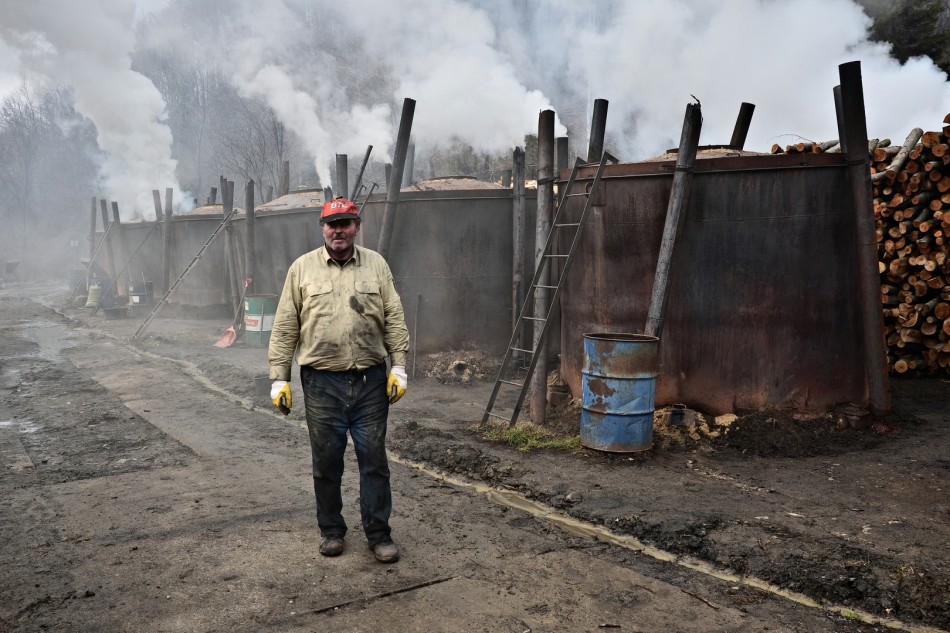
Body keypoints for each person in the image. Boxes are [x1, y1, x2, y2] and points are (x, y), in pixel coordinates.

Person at [267, 197, 409, 563]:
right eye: (332, 224)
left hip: (370, 382)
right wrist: (278, 378)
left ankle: (378, 534)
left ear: (356, 226)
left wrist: (399, 366)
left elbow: (393, 316)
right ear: (322, 228)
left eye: (346, 222)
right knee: (326, 462)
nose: (339, 230)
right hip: (321, 384)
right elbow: (285, 326)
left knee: (374, 460)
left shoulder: (376, 265)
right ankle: (331, 531)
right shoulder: (302, 269)